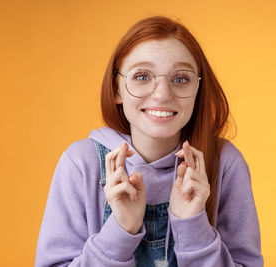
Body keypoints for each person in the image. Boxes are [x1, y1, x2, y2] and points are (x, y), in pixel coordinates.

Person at [35, 16, 264, 267]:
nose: (162, 94)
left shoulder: (224, 163)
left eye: (180, 79)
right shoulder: (81, 164)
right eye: (142, 76)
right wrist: (121, 230)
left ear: (198, 91)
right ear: (116, 89)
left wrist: (193, 225)